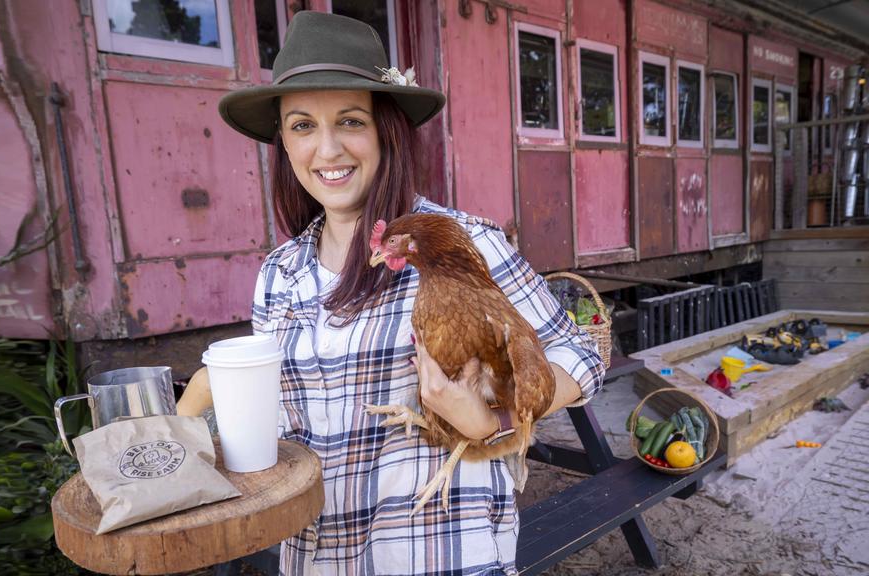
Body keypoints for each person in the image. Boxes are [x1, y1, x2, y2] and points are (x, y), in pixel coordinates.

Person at [198, 11, 604, 575]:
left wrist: (494, 422)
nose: (328, 149)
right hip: (317, 559)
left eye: (349, 121)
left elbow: (579, 354)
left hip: (440, 555)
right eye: (301, 126)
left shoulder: (464, 246)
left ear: (385, 130)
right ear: (283, 145)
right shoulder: (278, 274)